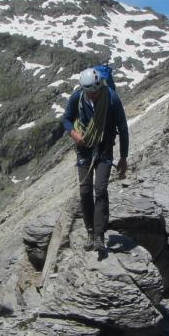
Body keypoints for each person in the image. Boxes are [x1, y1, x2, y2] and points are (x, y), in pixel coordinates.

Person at [62, 66, 129, 253]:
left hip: (105, 149)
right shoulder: (78, 97)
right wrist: (74, 134)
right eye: (88, 92)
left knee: (100, 189)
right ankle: (90, 231)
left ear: (100, 87)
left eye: (94, 92)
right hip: (84, 149)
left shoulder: (112, 99)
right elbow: (66, 119)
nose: (91, 96)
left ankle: (99, 235)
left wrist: (123, 157)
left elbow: (123, 128)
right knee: (85, 191)